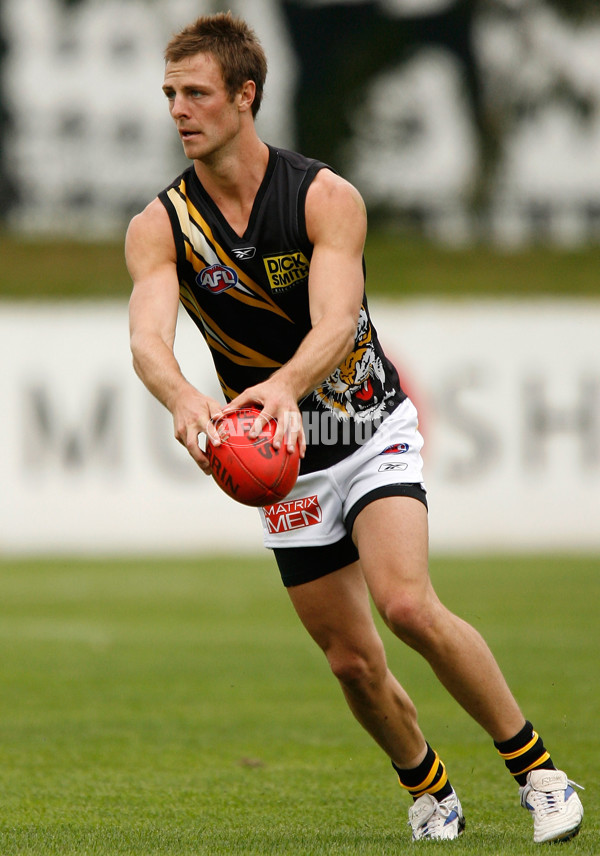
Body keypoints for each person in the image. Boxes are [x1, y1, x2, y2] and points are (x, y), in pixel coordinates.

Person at [126, 12, 583, 843]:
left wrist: (285, 388)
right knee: (351, 661)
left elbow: (338, 319)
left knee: (406, 605)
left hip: (364, 428)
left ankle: (539, 771)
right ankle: (430, 789)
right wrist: (186, 402)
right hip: (281, 462)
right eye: (169, 95)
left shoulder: (324, 196)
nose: (179, 110)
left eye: (195, 93)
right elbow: (147, 340)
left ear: (245, 95)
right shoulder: (160, 225)